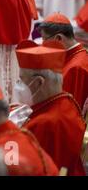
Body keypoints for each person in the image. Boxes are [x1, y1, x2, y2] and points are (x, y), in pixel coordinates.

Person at [15, 40, 86, 175]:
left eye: (21, 79)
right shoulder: (67, 100)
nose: (17, 85)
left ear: (38, 83)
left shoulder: (45, 123)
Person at [38, 13, 88, 108]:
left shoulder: (77, 68)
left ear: (58, 38)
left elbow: (72, 108)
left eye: (44, 39)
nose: (43, 44)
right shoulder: (71, 56)